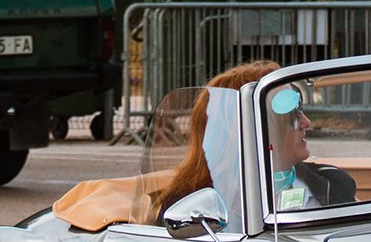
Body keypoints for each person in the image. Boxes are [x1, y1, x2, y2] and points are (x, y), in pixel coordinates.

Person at [150, 59, 352, 218]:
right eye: (292, 115)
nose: (306, 122)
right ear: (249, 127)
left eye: (300, 109)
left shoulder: (332, 184)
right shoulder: (187, 208)